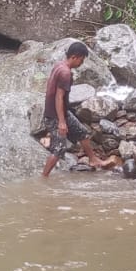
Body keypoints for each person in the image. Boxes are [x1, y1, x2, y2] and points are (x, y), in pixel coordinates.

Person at [41, 41, 105, 176]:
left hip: (61, 112)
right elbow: (59, 98)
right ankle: (44, 177)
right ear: (74, 57)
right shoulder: (65, 73)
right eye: (81, 60)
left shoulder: (59, 65)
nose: (81, 63)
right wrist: (62, 122)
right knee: (58, 150)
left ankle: (92, 159)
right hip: (55, 116)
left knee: (82, 132)